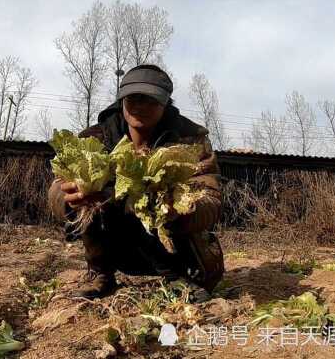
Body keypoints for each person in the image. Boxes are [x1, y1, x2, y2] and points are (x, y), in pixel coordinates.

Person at [48, 64, 224, 299]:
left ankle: (177, 278)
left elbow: (211, 197)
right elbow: (57, 186)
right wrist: (67, 198)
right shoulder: (95, 138)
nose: (141, 106)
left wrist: (184, 209)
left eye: (151, 100)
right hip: (116, 242)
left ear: (166, 104)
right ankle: (101, 274)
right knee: (105, 196)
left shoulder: (191, 140)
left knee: (152, 199)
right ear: (121, 101)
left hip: (176, 244)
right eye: (134, 98)